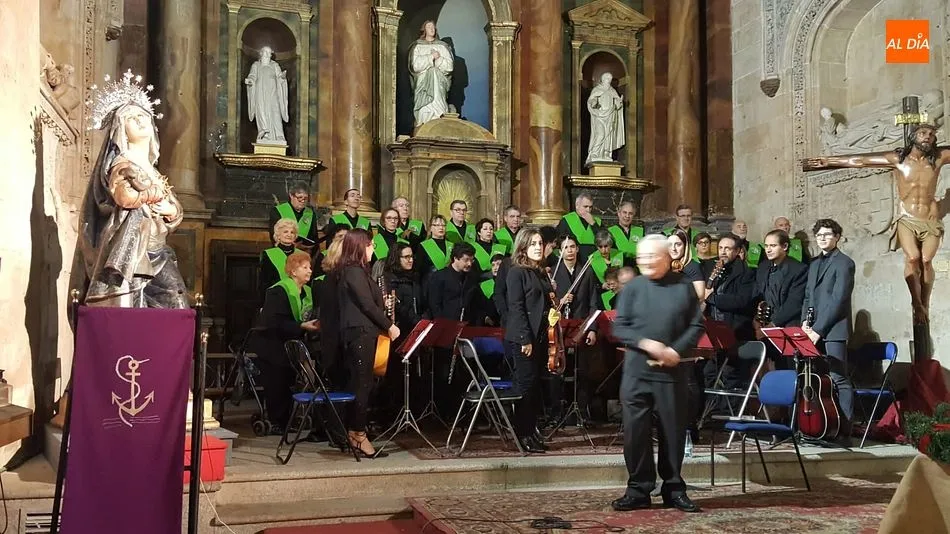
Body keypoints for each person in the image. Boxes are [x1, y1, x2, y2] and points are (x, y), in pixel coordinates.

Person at [803, 123, 949, 324]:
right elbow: (861, 161)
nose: (928, 137)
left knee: (926, 261)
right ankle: (917, 304)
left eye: (932, 135)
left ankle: (925, 302)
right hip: (907, 218)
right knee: (913, 257)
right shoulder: (898, 160)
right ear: (913, 136)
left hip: (931, 219)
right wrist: (828, 161)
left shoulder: (938, 158)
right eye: (923, 133)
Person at [610, 234, 704, 513]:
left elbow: (696, 326)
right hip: (637, 373)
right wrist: (645, 342)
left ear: (668, 257)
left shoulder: (684, 287)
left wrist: (677, 349)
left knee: (672, 432)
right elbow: (620, 327)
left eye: (652, 257)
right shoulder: (632, 289)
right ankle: (638, 489)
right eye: (642, 258)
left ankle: (673, 488)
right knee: (635, 433)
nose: (647, 262)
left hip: (671, 372)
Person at [78, 77, 189, 310]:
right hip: (132, 250)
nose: (140, 122)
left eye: (143, 117)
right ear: (121, 130)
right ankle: (133, 346)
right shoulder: (122, 163)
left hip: (157, 248)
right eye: (132, 119)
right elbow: (124, 198)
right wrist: (151, 194)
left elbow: (172, 205)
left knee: (176, 302)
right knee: (132, 304)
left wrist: (171, 210)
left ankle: (159, 347)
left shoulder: (152, 169)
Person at [335, 229, 399, 458]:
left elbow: (372, 302)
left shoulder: (361, 272)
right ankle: (359, 435)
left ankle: (355, 432)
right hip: (360, 333)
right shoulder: (352, 271)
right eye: (370, 244)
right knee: (362, 386)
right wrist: (389, 325)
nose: (373, 248)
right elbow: (366, 305)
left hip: (364, 332)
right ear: (360, 246)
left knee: (363, 385)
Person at [801, 218, 855, 445]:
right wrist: (805, 323)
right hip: (812, 328)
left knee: (837, 377)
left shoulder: (845, 263)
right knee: (813, 378)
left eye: (827, 234)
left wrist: (819, 331)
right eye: (819, 235)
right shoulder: (813, 264)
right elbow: (808, 296)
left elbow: (838, 300)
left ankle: (845, 431)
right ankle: (820, 428)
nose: (822, 238)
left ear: (837, 237)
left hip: (833, 329)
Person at [256, 251, 319, 434]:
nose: (309, 271)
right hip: (273, 344)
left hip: (293, 343)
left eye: (310, 267)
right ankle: (277, 421)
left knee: (291, 382)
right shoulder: (278, 290)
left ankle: (288, 420)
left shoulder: (308, 291)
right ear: (293, 271)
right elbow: (273, 322)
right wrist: (301, 325)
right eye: (304, 267)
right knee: (278, 383)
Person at [505, 229, 555, 453]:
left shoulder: (540, 272)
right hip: (524, 338)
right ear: (523, 247)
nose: (538, 246)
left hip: (541, 337)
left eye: (540, 243)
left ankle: (531, 432)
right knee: (525, 388)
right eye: (533, 243)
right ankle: (522, 434)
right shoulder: (517, 273)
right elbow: (516, 308)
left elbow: (544, 304)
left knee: (535, 388)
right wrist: (525, 338)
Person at [409, 20, 453, 127]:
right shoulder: (418, 46)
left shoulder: (442, 46)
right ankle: (423, 120)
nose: (432, 29)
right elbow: (415, 66)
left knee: (439, 105)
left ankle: (439, 117)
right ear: (424, 30)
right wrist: (431, 57)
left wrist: (439, 59)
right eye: (429, 27)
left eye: (433, 27)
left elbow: (449, 67)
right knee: (424, 110)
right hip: (423, 84)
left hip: (439, 84)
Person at [244, 45, 289, 145]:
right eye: (266, 52)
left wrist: (282, 77)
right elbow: (252, 75)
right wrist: (250, 81)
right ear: (261, 53)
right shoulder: (256, 65)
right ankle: (265, 134)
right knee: (262, 112)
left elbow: (280, 77)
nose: (268, 54)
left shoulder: (274, 65)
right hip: (260, 93)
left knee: (276, 113)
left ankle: (279, 135)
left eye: (269, 53)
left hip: (273, 93)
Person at [586, 72, 625, 165]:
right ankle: (594, 153)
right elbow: (592, 99)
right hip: (599, 116)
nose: (608, 80)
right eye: (607, 78)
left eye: (610, 79)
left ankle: (606, 153)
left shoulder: (612, 91)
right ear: (603, 79)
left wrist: (619, 102)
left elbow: (617, 105)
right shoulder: (597, 89)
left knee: (608, 136)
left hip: (610, 115)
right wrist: (593, 103)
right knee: (600, 134)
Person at [259, 218, 300, 304]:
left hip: (298, 298)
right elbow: (264, 282)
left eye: (292, 232)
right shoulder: (269, 254)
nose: (289, 235)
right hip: (276, 299)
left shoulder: (302, 255)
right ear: (278, 235)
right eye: (285, 232)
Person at [268, 182, 318, 250]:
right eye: (299, 197)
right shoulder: (278, 211)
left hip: (304, 253)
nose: (303, 201)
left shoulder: (310, 213)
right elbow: (274, 236)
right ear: (291, 195)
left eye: (305, 198)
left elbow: (313, 237)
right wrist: (292, 247)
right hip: (281, 252)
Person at [557, 194, 602, 258]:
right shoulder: (566, 220)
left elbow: (604, 240)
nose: (588, 210)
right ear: (577, 206)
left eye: (590, 207)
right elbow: (560, 242)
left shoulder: (597, 221)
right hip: (575, 259)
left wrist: (593, 224)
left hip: (595, 259)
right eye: (585, 206)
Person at [668, 228, 705, 301]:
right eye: (669, 244)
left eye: (678, 244)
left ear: (685, 246)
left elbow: (700, 296)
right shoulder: (664, 266)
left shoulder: (693, 266)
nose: (673, 249)